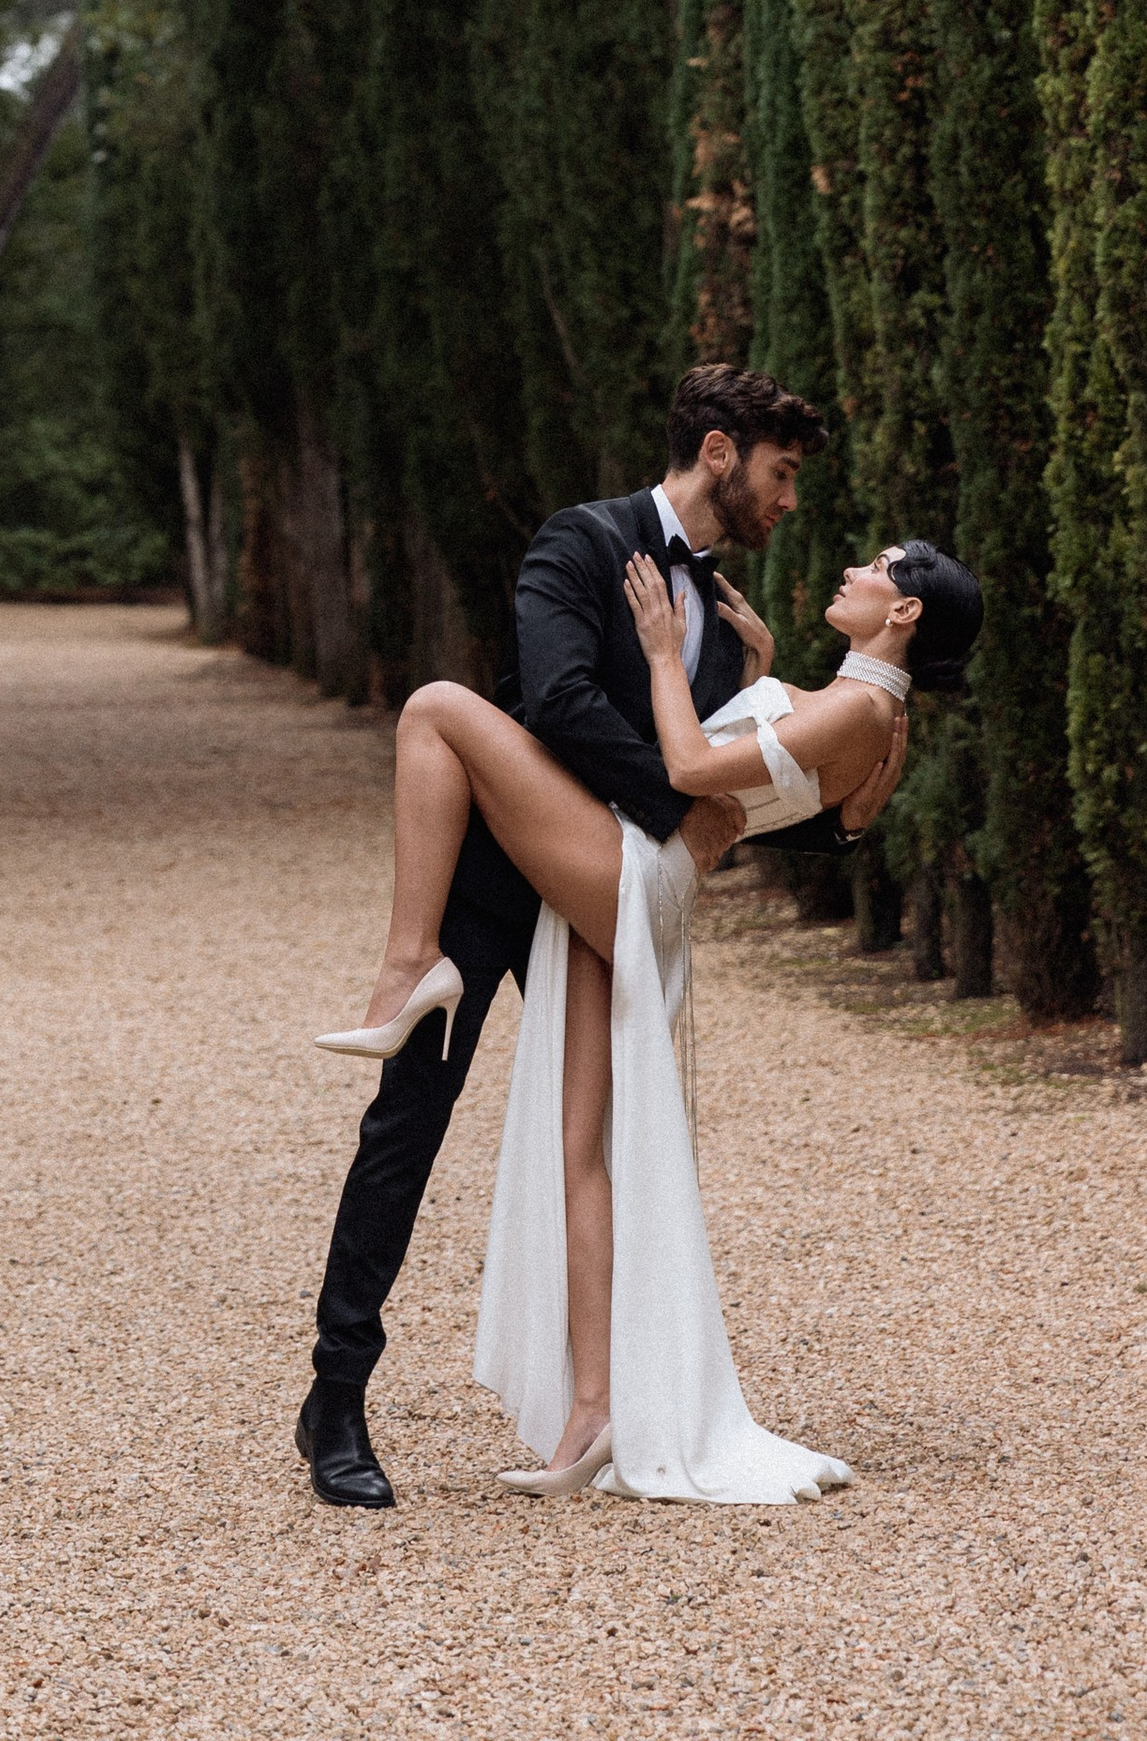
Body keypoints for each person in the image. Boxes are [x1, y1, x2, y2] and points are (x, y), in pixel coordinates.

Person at [293, 364, 909, 1511]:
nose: (788, 504)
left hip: (600, 902)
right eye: (779, 476)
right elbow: (556, 698)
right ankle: (335, 1404)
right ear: (718, 452)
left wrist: (842, 798)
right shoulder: (579, 543)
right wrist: (682, 808)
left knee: (604, 1149)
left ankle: (604, 1406)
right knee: (405, 1133)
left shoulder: (728, 628)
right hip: (494, 883)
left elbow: (741, 798)